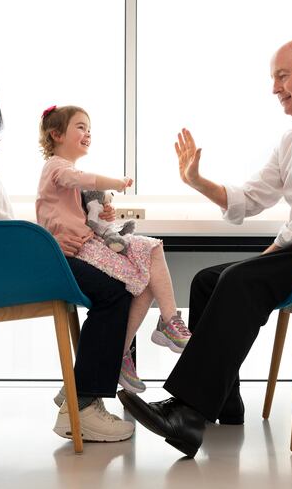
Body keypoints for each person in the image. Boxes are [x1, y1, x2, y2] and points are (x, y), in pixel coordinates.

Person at [118, 35, 292, 457]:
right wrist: (197, 181)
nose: (274, 88)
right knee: (209, 281)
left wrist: (273, 251)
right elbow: (250, 198)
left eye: (282, 76)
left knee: (240, 280)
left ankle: (188, 413)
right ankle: (223, 405)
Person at [0, 58, 135, 444]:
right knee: (115, 288)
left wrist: (49, 239)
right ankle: (82, 406)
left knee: (112, 280)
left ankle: (80, 393)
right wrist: (47, 243)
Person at [36, 105, 192, 405]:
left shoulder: (68, 176)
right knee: (144, 267)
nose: (87, 133)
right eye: (80, 127)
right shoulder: (56, 167)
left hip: (89, 242)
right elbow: (79, 179)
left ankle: (164, 324)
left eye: (89, 128)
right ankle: (139, 342)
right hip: (77, 250)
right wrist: (116, 183)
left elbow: (84, 209)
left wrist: (102, 211)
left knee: (149, 257)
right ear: (56, 134)